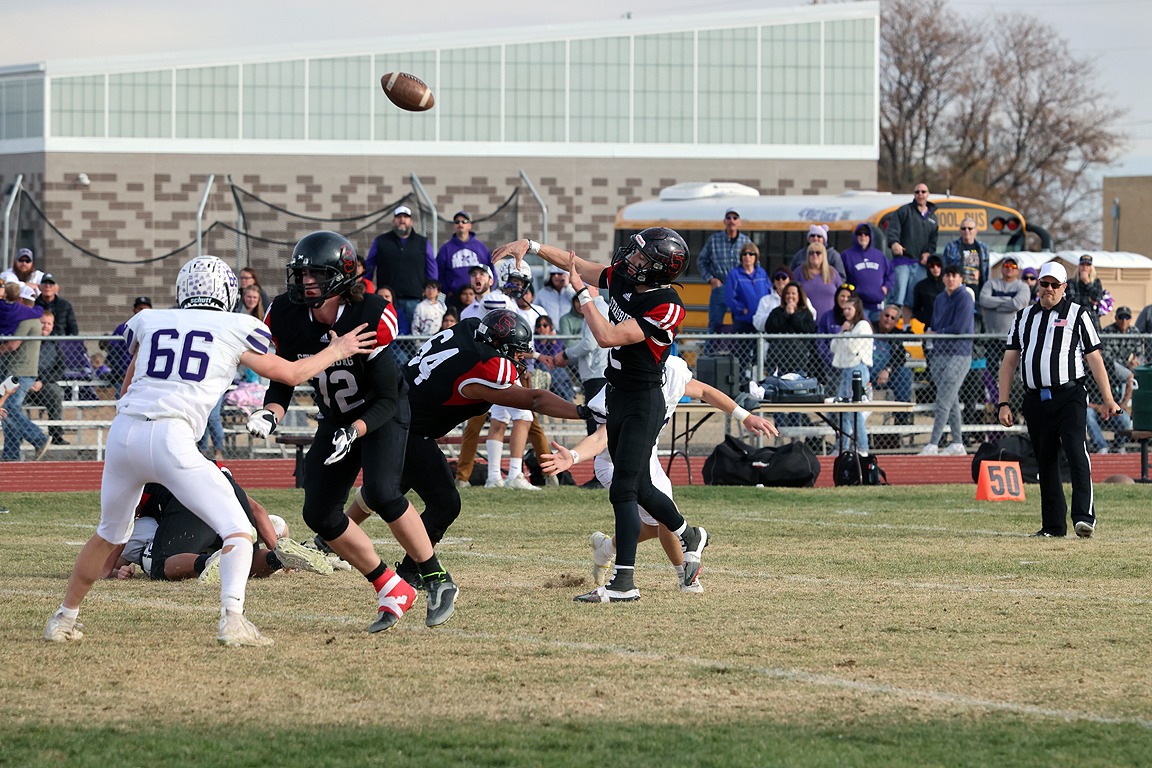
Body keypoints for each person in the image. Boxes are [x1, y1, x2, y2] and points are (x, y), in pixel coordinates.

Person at [43, 254, 375, 646]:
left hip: (124, 433)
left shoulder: (151, 320)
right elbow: (290, 373)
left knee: (107, 534)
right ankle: (233, 620)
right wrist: (336, 350)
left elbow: (128, 387)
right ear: (227, 293)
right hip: (172, 436)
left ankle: (63, 618)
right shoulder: (235, 326)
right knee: (238, 530)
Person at [492, 229, 710, 604]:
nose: (632, 260)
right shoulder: (626, 275)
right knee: (640, 487)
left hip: (643, 399)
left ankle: (624, 582)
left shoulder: (666, 304)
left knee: (624, 489)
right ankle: (689, 535)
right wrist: (532, 246)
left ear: (659, 269)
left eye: (642, 258)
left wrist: (584, 296)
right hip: (618, 393)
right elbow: (577, 264)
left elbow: (607, 335)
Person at [251, 231, 454, 633]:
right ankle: (390, 585)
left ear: (341, 276)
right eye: (302, 274)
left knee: (382, 493)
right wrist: (271, 413)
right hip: (335, 416)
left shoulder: (370, 314)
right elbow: (284, 378)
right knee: (318, 514)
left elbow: (387, 397)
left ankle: (436, 577)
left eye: (316, 274)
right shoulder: (287, 314)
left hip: (381, 413)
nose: (306, 282)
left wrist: (355, 430)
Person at [540, 355, 776, 592]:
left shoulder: (670, 370)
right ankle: (685, 575)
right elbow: (602, 438)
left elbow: (704, 391)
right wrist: (573, 456)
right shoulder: (621, 382)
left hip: (647, 455)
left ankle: (607, 548)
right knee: (665, 517)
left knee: (657, 524)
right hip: (615, 461)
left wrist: (745, 416)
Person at [997, 262, 1121, 539]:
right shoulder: (1023, 317)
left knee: (1076, 450)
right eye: (1045, 283)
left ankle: (1084, 517)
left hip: (1069, 396)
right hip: (1035, 399)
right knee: (1046, 460)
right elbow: (1009, 362)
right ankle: (1053, 526)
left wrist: (1108, 399)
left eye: (1055, 285)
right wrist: (1003, 403)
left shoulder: (1078, 314)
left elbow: (1094, 358)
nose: (1049, 289)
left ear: (1065, 287)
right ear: (1038, 285)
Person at [102, 468, 331, 582]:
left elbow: (124, 525)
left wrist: (107, 570)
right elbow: (257, 510)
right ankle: (277, 558)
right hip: (229, 493)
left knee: (160, 565)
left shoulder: (143, 472)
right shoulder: (206, 462)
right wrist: (276, 547)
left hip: (190, 501)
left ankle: (207, 562)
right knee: (245, 559)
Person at [918, 265, 974, 456]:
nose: (951, 279)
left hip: (959, 353)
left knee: (943, 400)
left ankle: (933, 443)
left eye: (954, 276)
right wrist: (931, 334)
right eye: (948, 275)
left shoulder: (965, 297)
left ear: (960, 278)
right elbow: (935, 323)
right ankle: (957, 443)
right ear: (943, 278)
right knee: (951, 399)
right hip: (939, 352)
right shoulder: (940, 298)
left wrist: (936, 333)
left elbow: (960, 327)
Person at [1, 284, 49, 461]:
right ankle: (11, 453)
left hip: (20, 371)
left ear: (20, 300)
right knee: (8, 409)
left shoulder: (26, 319)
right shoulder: (31, 317)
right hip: (19, 371)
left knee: (7, 408)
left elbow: (13, 345)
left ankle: (39, 438)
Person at [553, 284, 609, 436]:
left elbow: (590, 343)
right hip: (596, 374)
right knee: (597, 423)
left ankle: (600, 452)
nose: (581, 291)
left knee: (596, 424)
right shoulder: (594, 308)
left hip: (597, 374)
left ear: (596, 288)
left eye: (586, 287)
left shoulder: (597, 308)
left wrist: (566, 354)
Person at [364, 205, 436, 322]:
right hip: (387, 300)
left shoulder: (423, 242)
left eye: (406, 217)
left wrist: (433, 290)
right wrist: (366, 289)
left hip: (415, 300)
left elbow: (431, 269)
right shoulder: (381, 241)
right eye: (399, 217)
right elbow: (369, 267)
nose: (402, 220)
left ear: (411, 221)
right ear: (393, 221)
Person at [979, 256, 1032, 415]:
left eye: (1013, 266)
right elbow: (983, 300)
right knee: (992, 374)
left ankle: (1015, 407)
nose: (1009, 268)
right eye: (1006, 265)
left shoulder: (1022, 286)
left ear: (1017, 270)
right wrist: (1008, 301)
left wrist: (995, 304)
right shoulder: (991, 284)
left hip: (1014, 340)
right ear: (1002, 268)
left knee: (1015, 375)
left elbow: (1019, 303)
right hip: (992, 339)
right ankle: (994, 406)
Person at [886, 183, 939, 325]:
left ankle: (906, 327)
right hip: (902, 262)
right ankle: (890, 327)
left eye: (923, 192)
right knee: (898, 298)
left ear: (928, 194)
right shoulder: (904, 211)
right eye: (917, 192)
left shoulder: (933, 218)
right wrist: (894, 243)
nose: (920, 194)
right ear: (914, 194)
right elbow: (892, 230)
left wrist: (928, 253)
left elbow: (933, 241)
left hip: (920, 264)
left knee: (912, 299)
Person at [695, 208, 750, 337]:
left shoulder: (746, 242)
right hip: (720, 286)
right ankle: (711, 348)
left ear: (739, 222)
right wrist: (711, 279)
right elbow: (701, 261)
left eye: (735, 218)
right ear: (724, 221)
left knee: (740, 323)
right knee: (715, 323)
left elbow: (755, 265)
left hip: (739, 288)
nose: (732, 220)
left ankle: (739, 349)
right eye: (728, 217)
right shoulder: (714, 240)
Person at [829, 296, 873, 454]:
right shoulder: (848, 326)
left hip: (857, 369)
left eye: (849, 308)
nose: (846, 311)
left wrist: (846, 333)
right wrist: (843, 331)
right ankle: (842, 447)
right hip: (846, 370)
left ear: (857, 309)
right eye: (845, 309)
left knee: (855, 410)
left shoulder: (862, 326)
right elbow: (834, 347)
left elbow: (853, 348)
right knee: (843, 410)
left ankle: (862, 447)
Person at [25, 310, 67, 445]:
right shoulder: (26, 340)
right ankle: (17, 438)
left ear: (53, 326)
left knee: (56, 392)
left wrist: (42, 381)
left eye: (49, 324)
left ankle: (56, 435)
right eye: (42, 322)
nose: (45, 326)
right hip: (24, 383)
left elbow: (60, 370)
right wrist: (31, 381)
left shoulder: (54, 344)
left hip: (44, 385)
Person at [942, 217, 990, 326]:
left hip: (977, 292)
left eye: (970, 228)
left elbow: (986, 271)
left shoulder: (983, 248)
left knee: (976, 323)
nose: (967, 231)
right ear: (960, 231)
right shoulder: (951, 247)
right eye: (963, 228)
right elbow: (945, 270)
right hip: (958, 291)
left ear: (976, 230)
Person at [435, 210, 491, 301]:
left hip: (478, 297)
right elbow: (438, 273)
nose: (460, 224)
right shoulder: (445, 249)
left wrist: (487, 289)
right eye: (457, 222)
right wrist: (448, 291)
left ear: (470, 225)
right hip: (454, 298)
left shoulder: (481, 247)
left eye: (464, 221)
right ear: (454, 226)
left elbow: (491, 270)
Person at [841, 223, 892, 320]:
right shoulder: (846, 255)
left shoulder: (879, 255)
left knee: (878, 328)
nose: (863, 236)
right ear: (855, 236)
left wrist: (885, 287)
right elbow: (841, 277)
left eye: (866, 234)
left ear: (870, 236)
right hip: (858, 305)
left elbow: (890, 274)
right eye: (860, 234)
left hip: (877, 305)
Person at [102, 296, 151, 394]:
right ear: (134, 310)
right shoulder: (124, 328)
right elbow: (113, 353)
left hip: (147, 376)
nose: (143, 311)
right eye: (140, 308)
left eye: (146, 308)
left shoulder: (155, 328)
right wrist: (121, 372)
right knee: (123, 399)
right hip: (124, 376)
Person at [723, 241, 770, 334]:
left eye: (751, 254)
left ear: (756, 256)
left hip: (761, 320)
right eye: (744, 254)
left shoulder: (762, 273)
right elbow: (729, 298)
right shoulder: (734, 274)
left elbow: (770, 292)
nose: (747, 256)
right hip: (743, 321)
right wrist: (741, 310)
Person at [796, 242, 843, 319]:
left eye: (818, 253)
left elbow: (842, 294)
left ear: (823, 255)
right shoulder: (799, 271)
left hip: (829, 320)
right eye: (811, 253)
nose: (814, 255)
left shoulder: (833, 272)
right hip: (805, 320)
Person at [1065, 254, 1105, 330]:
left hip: (1092, 318)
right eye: (1082, 265)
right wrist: (1089, 300)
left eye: (1088, 265)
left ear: (1091, 268)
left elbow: (1098, 297)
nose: (1085, 267)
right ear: (1079, 267)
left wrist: (1087, 283)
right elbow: (1072, 301)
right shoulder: (1071, 282)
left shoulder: (1096, 282)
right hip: (1075, 317)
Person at [911, 255, 945, 328]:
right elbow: (916, 309)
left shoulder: (949, 285)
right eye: (932, 266)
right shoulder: (920, 286)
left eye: (938, 265)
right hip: (929, 327)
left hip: (948, 327)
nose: (935, 268)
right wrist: (927, 319)